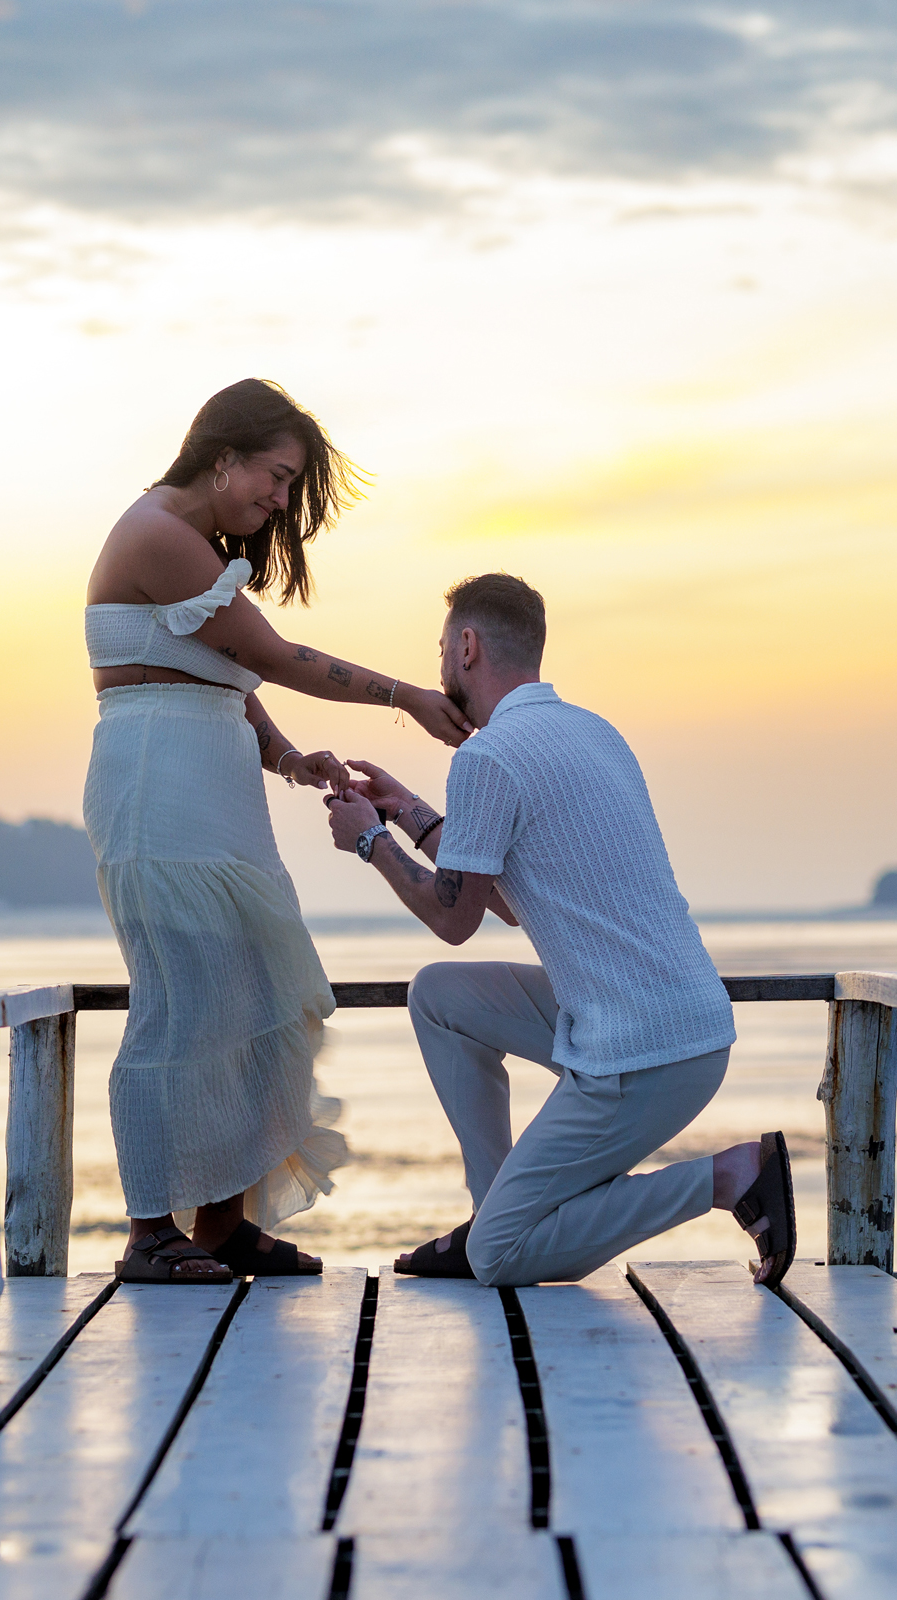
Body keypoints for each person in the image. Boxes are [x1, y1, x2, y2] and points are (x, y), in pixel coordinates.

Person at [84, 379, 474, 1285]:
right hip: (157, 794)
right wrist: (405, 696)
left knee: (260, 993)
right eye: (277, 475)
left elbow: (227, 681)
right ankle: (150, 1233)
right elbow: (267, 655)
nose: (281, 499)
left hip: (218, 801)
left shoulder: (194, 551)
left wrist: (291, 759)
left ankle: (221, 1226)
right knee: (182, 1004)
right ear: (223, 458)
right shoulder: (155, 534)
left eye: (291, 484)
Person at [321, 573, 795, 1288]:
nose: (441, 664)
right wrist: (408, 811)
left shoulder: (487, 757)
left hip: (643, 1051)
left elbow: (454, 918)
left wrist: (369, 842)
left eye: (442, 649)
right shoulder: (594, 732)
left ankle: (728, 1178)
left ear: (468, 646)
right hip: (674, 1018)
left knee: (500, 1257)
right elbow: (508, 900)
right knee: (440, 998)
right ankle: (493, 1209)